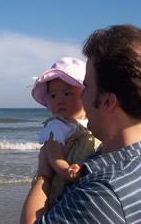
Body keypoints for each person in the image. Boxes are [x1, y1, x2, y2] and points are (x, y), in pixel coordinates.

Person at [21, 25, 141, 223]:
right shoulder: (137, 153)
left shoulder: (103, 195)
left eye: (87, 86)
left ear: (107, 101)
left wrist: (44, 175)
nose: (81, 94)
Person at [31, 57, 100, 207]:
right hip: (61, 185)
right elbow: (52, 152)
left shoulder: (90, 122)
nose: (59, 100)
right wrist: (65, 170)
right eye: (53, 95)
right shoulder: (59, 124)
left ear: (85, 94)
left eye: (67, 94)